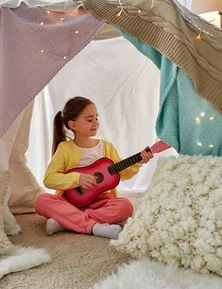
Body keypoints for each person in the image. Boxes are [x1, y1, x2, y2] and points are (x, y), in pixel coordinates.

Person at [34, 96, 153, 239]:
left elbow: (122, 173)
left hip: (101, 201)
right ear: (73, 125)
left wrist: (138, 161)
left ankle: (66, 221)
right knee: (41, 201)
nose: (95, 123)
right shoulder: (64, 148)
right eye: (90, 120)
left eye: (96, 118)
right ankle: (94, 227)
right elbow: (49, 179)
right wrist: (77, 179)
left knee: (125, 206)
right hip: (70, 202)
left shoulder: (106, 147)